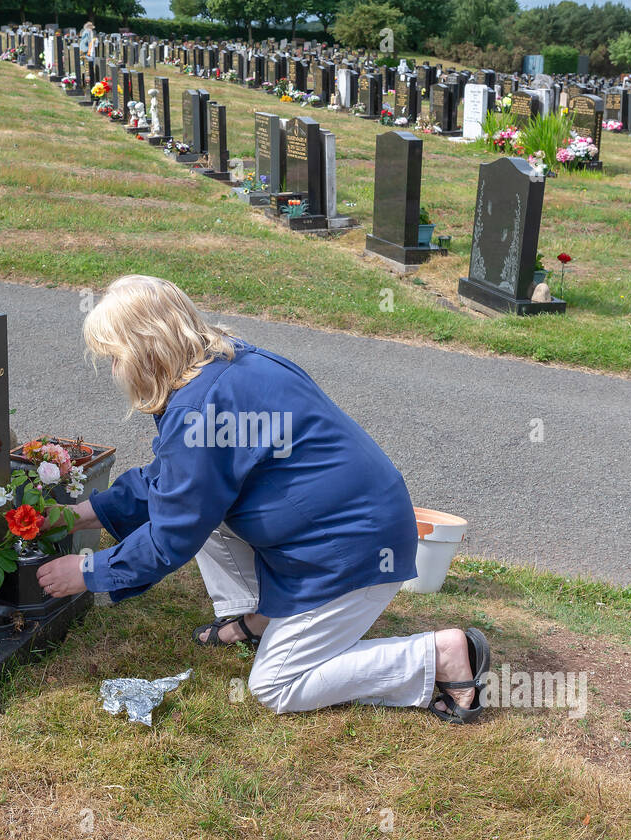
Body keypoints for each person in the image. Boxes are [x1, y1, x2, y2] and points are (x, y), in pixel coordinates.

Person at [36, 276, 490, 723]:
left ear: (143, 350)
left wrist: (92, 571)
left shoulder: (198, 408)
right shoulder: (230, 363)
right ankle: (260, 618)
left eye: (115, 357)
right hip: (354, 524)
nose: (115, 371)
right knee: (207, 513)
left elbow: (174, 532)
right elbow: (178, 480)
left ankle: (438, 655)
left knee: (276, 685)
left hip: (350, 551)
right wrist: (86, 513)